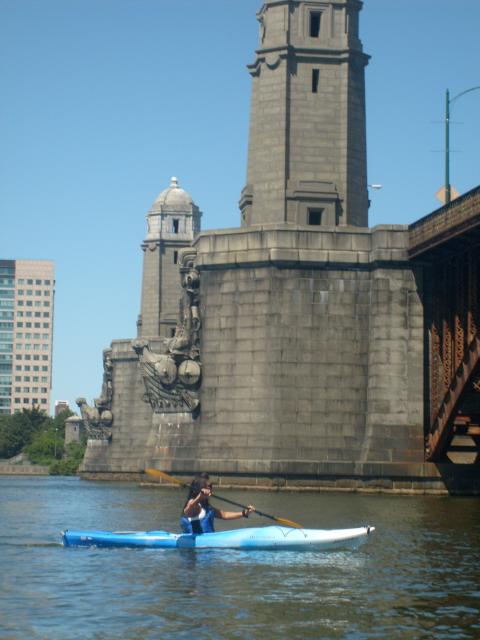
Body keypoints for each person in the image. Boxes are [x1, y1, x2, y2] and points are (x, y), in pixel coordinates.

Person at [180, 473, 255, 534]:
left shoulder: (206, 507)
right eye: (208, 486)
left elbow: (224, 515)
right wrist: (200, 497)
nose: (210, 489)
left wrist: (244, 513)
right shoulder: (193, 503)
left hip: (208, 548)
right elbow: (188, 509)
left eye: (211, 486)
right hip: (194, 551)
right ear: (200, 489)